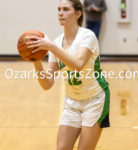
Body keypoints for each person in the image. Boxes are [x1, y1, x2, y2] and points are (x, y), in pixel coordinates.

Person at [27, 0, 110, 149]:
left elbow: (78, 64)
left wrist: (50, 46)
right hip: (72, 102)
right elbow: (47, 84)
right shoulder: (57, 43)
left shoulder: (87, 36)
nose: (60, 13)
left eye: (65, 9)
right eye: (59, 9)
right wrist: (36, 60)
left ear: (78, 14)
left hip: (95, 100)